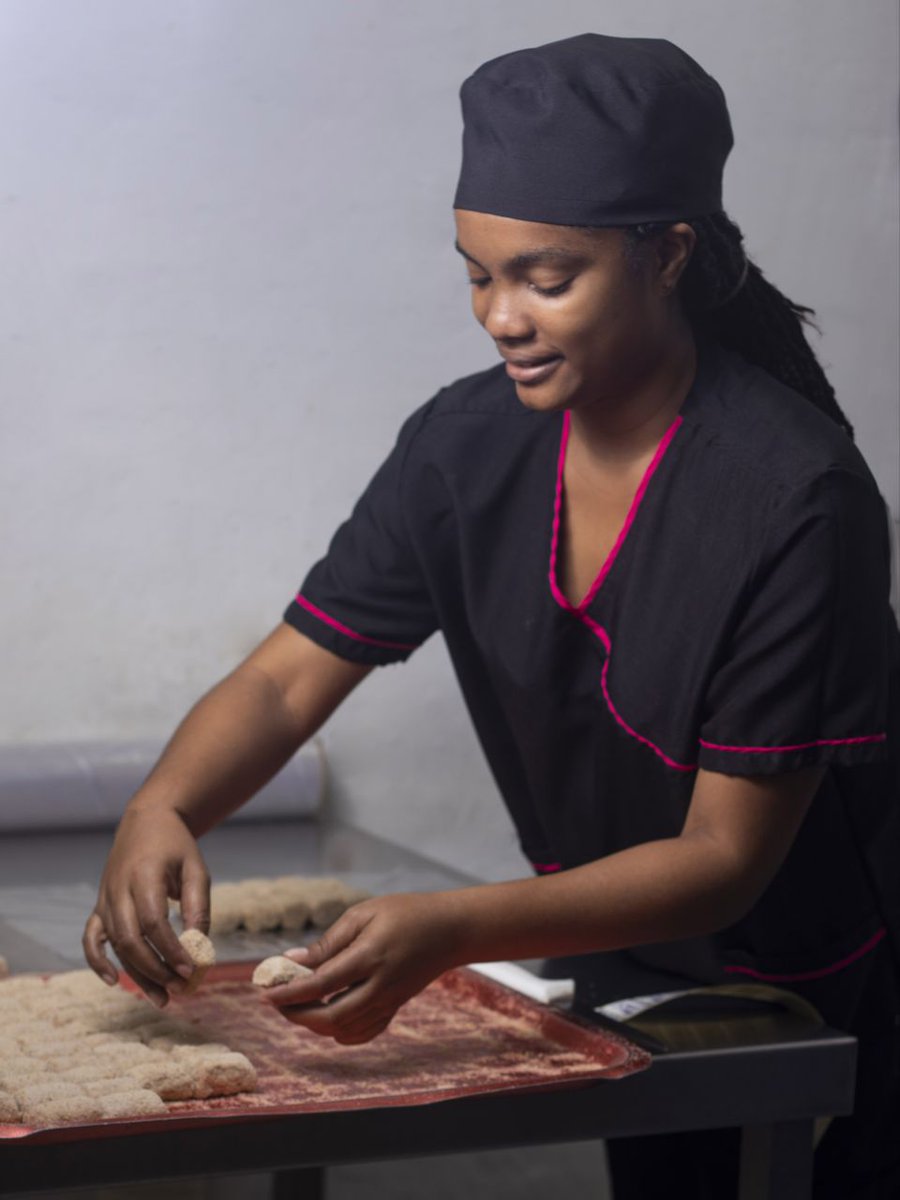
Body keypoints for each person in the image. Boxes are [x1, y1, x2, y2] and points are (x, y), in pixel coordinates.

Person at [83, 34, 898, 1199]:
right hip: (611, 955)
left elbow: (724, 859)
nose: (498, 317)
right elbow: (284, 682)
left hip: (798, 992)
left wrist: (454, 929)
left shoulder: (793, 496)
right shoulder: (465, 448)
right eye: (476, 273)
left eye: (544, 278)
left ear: (667, 254)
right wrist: (163, 805)